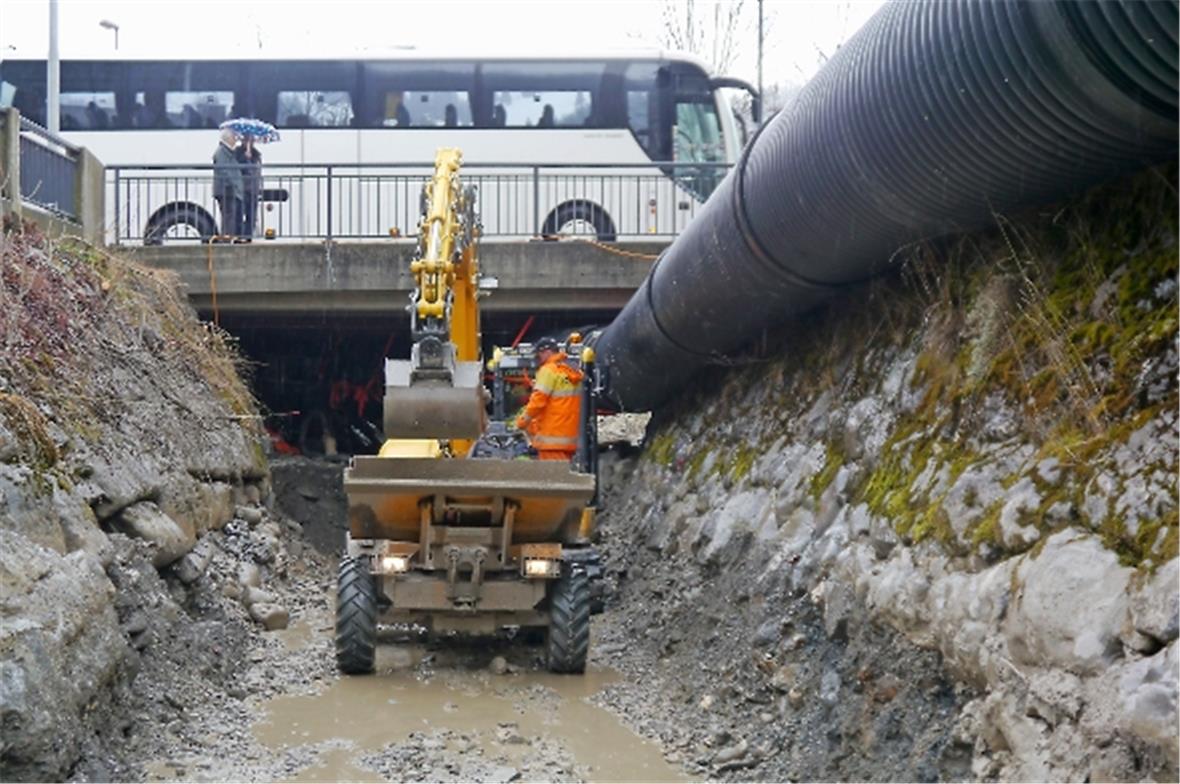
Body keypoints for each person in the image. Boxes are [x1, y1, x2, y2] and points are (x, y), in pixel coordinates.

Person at [515, 336, 583, 461]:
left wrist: (522, 421)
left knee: (552, 478)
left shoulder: (548, 371)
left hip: (550, 439)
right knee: (565, 477)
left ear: (547, 352)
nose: (538, 358)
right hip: (570, 439)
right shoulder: (573, 370)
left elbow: (538, 402)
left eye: (539, 354)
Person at [212, 128, 243, 240]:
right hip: (226, 190)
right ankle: (226, 239)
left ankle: (230, 237)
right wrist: (234, 183)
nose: (235, 140)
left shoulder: (228, 151)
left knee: (231, 216)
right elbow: (224, 171)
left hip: (229, 190)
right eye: (234, 137)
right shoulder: (221, 152)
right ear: (228, 139)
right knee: (228, 217)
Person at [236, 136, 262, 241]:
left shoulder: (256, 154)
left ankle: (248, 237)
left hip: (253, 190)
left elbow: (256, 170)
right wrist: (246, 158)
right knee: (239, 214)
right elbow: (240, 169)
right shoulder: (238, 153)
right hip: (243, 189)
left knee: (251, 216)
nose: (249, 142)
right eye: (246, 140)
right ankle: (239, 236)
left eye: (251, 140)